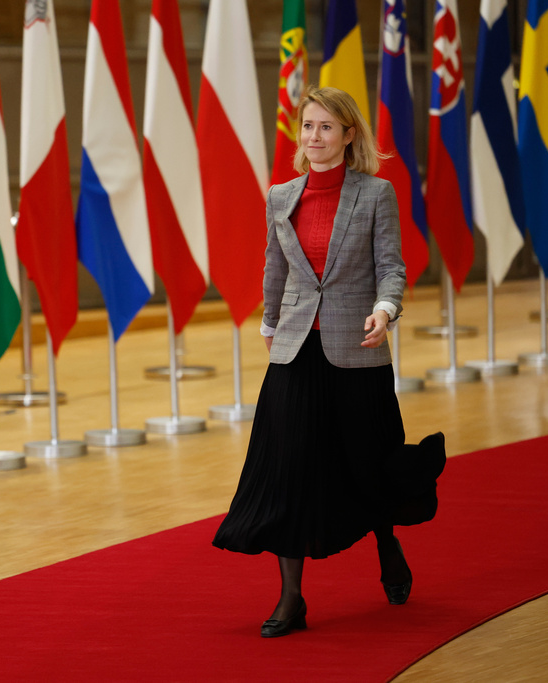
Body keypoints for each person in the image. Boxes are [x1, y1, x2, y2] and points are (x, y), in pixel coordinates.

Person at [212, 86, 446, 638]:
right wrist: (271, 324)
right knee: (288, 467)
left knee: (366, 462)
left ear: (347, 135)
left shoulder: (376, 194)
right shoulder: (281, 196)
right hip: (295, 350)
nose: (314, 137)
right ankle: (292, 599)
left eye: (325, 127)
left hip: (357, 349)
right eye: (308, 126)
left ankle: (386, 540)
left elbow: (391, 266)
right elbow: (276, 269)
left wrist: (386, 310)